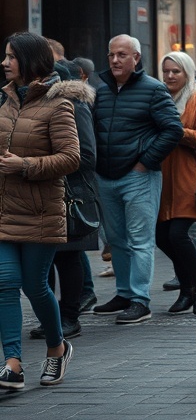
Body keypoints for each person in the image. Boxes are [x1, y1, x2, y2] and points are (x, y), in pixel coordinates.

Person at [0, 32, 81, 389]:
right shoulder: (3, 101)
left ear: (30, 62)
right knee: (4, 284)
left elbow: (72, 158)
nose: (4, 63)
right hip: (4, 210)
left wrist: (25, 165)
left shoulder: (58, 104)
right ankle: (13, 363)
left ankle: (56, 347)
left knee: (35, 286)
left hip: (40, 211)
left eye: (11, 57)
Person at [92, 35, 183, 325]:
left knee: (141, 241)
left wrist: (146, 162)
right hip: (105, 177)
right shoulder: (101, 90)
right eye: (111, 55)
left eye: (122, 54)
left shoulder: (154, 89)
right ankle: (124, 293)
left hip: (138, 177)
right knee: (116, 241)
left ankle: (140, 301)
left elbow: (173, 130)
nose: (115, 60)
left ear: (136, 58)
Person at [30, 59, 99, 342]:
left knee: (67, 257)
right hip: (45, 192)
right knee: (46, 259)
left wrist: (45, 163)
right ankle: (53, 318)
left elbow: (87, 156)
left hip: (71, 194)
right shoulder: (40, 105)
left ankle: (69, 317)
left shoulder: (73, 104)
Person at [155, 52, 196, 317]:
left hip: (188, 176)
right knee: (162, 236)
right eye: (166, 71)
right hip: (161, 178)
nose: (169, 76)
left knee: (178, 234)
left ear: (187, 73)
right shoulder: (157, 98)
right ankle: (187, 289)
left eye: (175, 71)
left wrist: (173, 130)